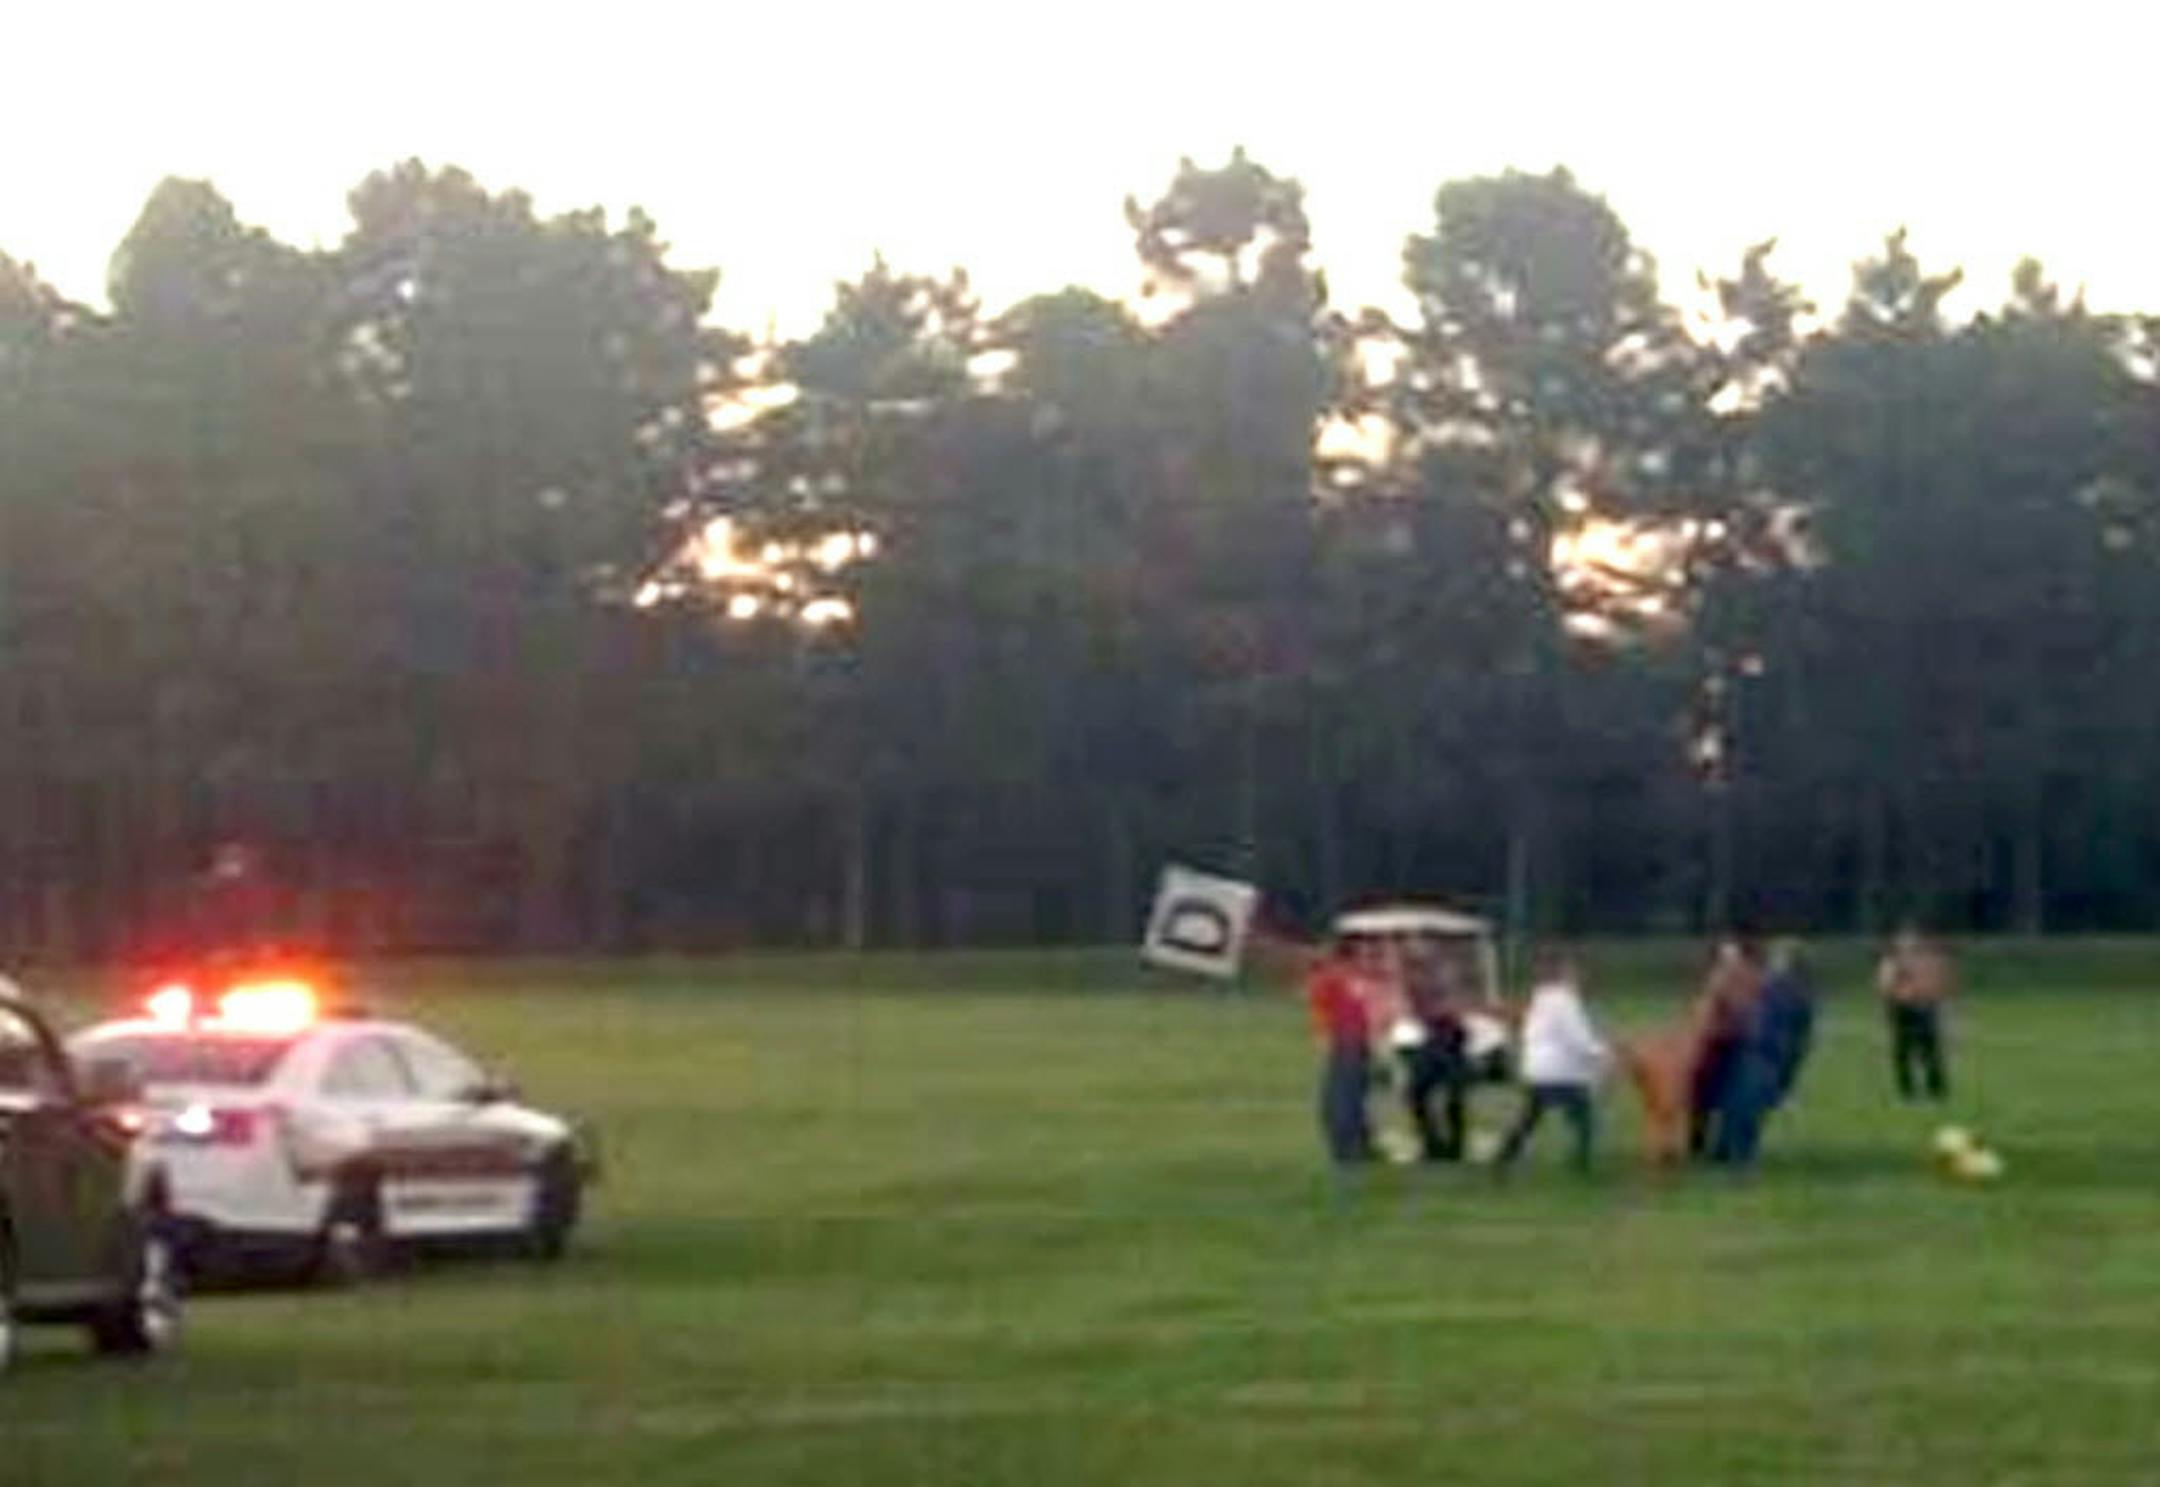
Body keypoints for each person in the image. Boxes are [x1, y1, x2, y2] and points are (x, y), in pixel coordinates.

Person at [1495, 951, 1610, 1175]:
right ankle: (1581, 1163)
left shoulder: (1540, 1000)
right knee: (1584, 1119)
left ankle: (1505, 1155)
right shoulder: (1565, 1002)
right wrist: (1600, 1053)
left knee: (1530, 1117)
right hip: (1560, 1072)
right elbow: (1577, 1038)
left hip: (1535, 1069)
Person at [1712, 939, 1818, 1167]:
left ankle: (1741, 1157)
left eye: (1780, 957)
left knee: (1746, 1105)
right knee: (1736, 1103)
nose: (1774, 960)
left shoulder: (1787, 990)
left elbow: (1796, 1031)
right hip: (1755, 1050)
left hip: (1764, 1052)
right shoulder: (1771, 985)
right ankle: (1726, 1150)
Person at [1396, 939, 1470, 1162]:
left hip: (1448, 1034)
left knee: (1449, 1093)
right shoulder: (1416, 982)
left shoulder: (1439, 977)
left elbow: (1447, 1005)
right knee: (1420, 1092)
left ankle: (1451, 1146)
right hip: (1436, 1035)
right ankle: (1436, 1144)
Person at [1689, 937, 1762, 1159]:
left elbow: (1744, 1009)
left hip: (1734, 1043)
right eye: (1724, 957)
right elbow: (1703, 1011)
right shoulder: (1719, 979)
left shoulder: (1746, 979)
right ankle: (1699, 1142)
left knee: (1728, 1098)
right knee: (1702, 1098)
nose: (1729, 962)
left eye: (1732, 956)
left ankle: (1722, 1146)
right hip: (1711, 1043)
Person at [1306, 940, 1376, 1165]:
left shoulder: (1331, 979)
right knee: (1354, 1096)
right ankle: (1358, 1144)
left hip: (1344, 1041)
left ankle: (1346, 1148)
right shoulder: (1357, 980)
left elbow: (1321, 1010)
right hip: (1359, 1042)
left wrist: (1323, 1037)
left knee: (1340, 1099)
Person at [1878, 925, 1954, 1100]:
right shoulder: (1892, 962)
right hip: (1902, 1009)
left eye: (1911, 941)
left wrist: (1936, 999)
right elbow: (1885, 986)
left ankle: (1936, 1089)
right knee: (1903, 1051)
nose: (1907, 945)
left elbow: (1939, 982)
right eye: (1903, 942)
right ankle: (1908, 1091)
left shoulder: (1927, 961)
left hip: (1925, 1007)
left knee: (1930, 1050)